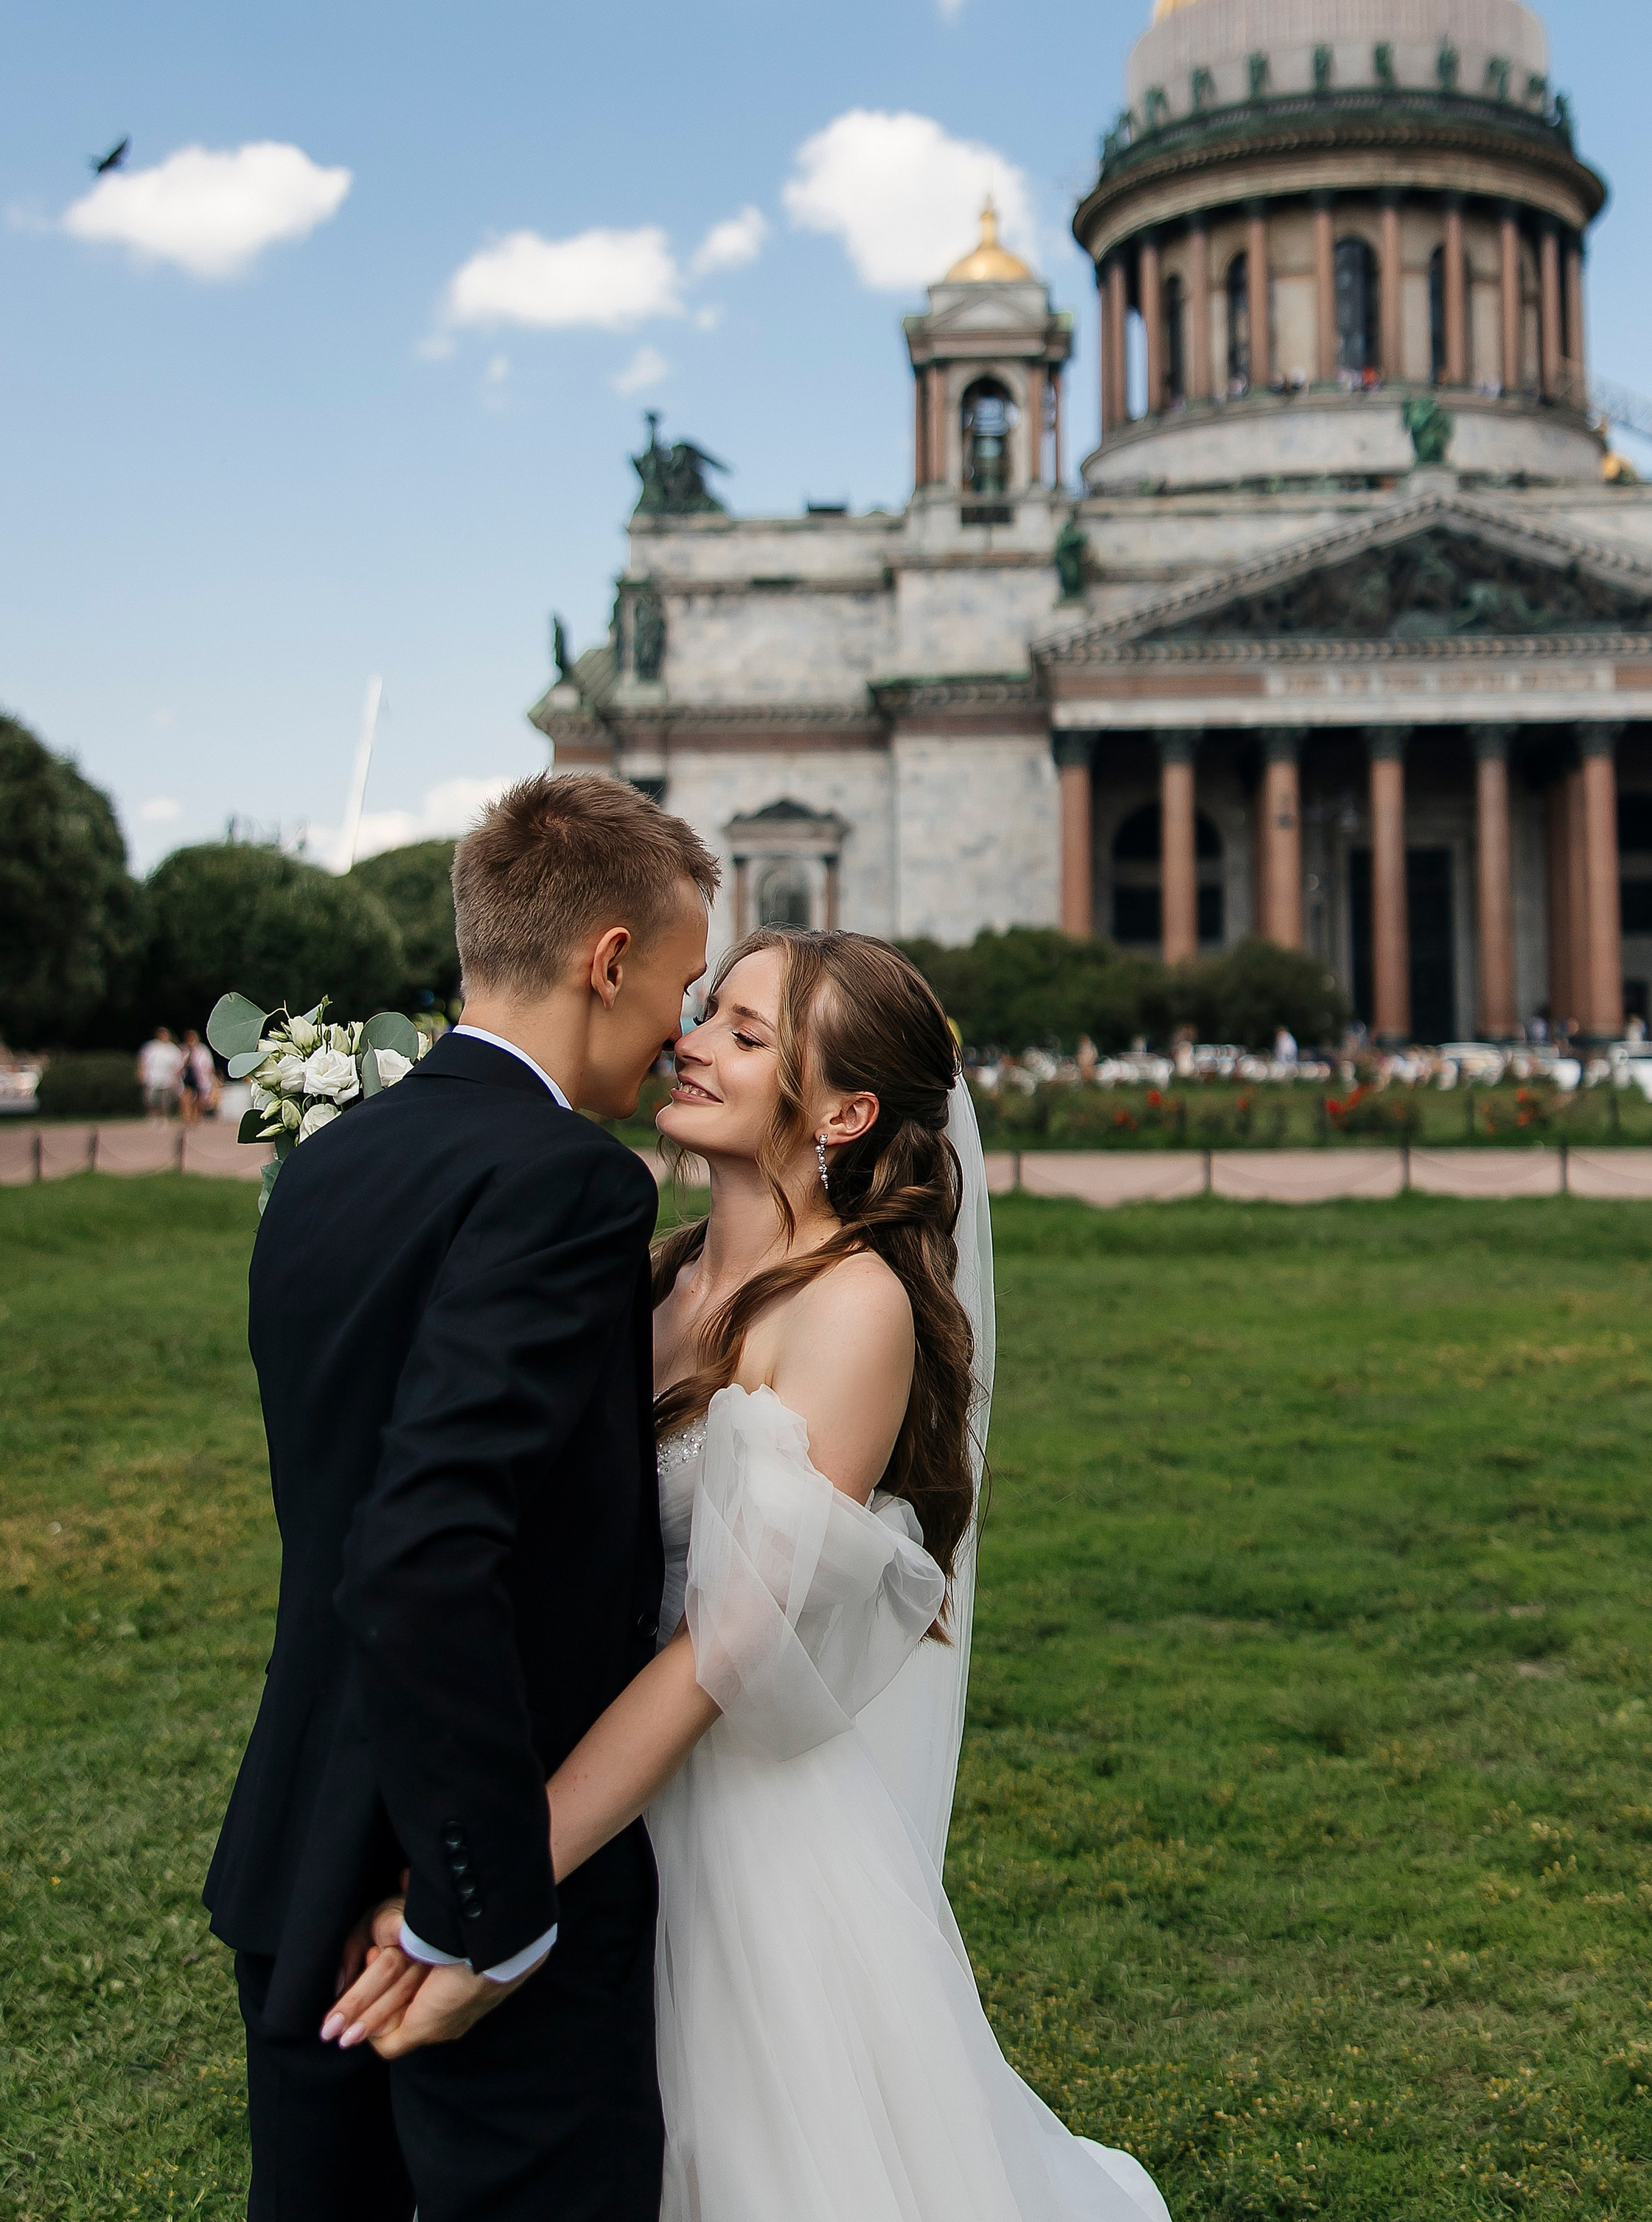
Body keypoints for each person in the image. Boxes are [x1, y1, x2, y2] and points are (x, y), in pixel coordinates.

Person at [327, 928, 1168, 2222]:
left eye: (745, 1032)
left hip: (734, 1832)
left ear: (845, 1109)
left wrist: (492, 1885)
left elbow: (718, 1654)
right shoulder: (652, 1271)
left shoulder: (853, 1309)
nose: (691, 1039)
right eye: (706, 1012)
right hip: (603, 1782)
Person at [203, 773, 717, 2222]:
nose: (679, 1031)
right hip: (460, 1874)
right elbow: (424, 1549)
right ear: (607, 959)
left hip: (302, 1853)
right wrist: (481, 1914)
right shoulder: (566, 1181)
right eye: (680, 986)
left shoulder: (326, 1165)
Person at [139, 1026, 183, 1115]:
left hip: (167, 1079)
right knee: (150, 1100)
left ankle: (163, 1117)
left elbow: (177, 1066)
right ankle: (153, 1116)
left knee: (165, 1101)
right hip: (152, 1078)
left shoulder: (173, 1049)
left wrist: (176, 1079)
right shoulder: (150, 1047)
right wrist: (141, 1073)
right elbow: (143, 1060)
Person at [179, 1028, 217, 1123]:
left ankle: (197, 1116)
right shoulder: (184, 1050)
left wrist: (211, 1078)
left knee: (199, 1097)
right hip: (187, 1076)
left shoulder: (203, 1050)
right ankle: (187, 1117)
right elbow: (181, 1064)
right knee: (186, 1096)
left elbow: (209, 1066)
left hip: (199, 1077)